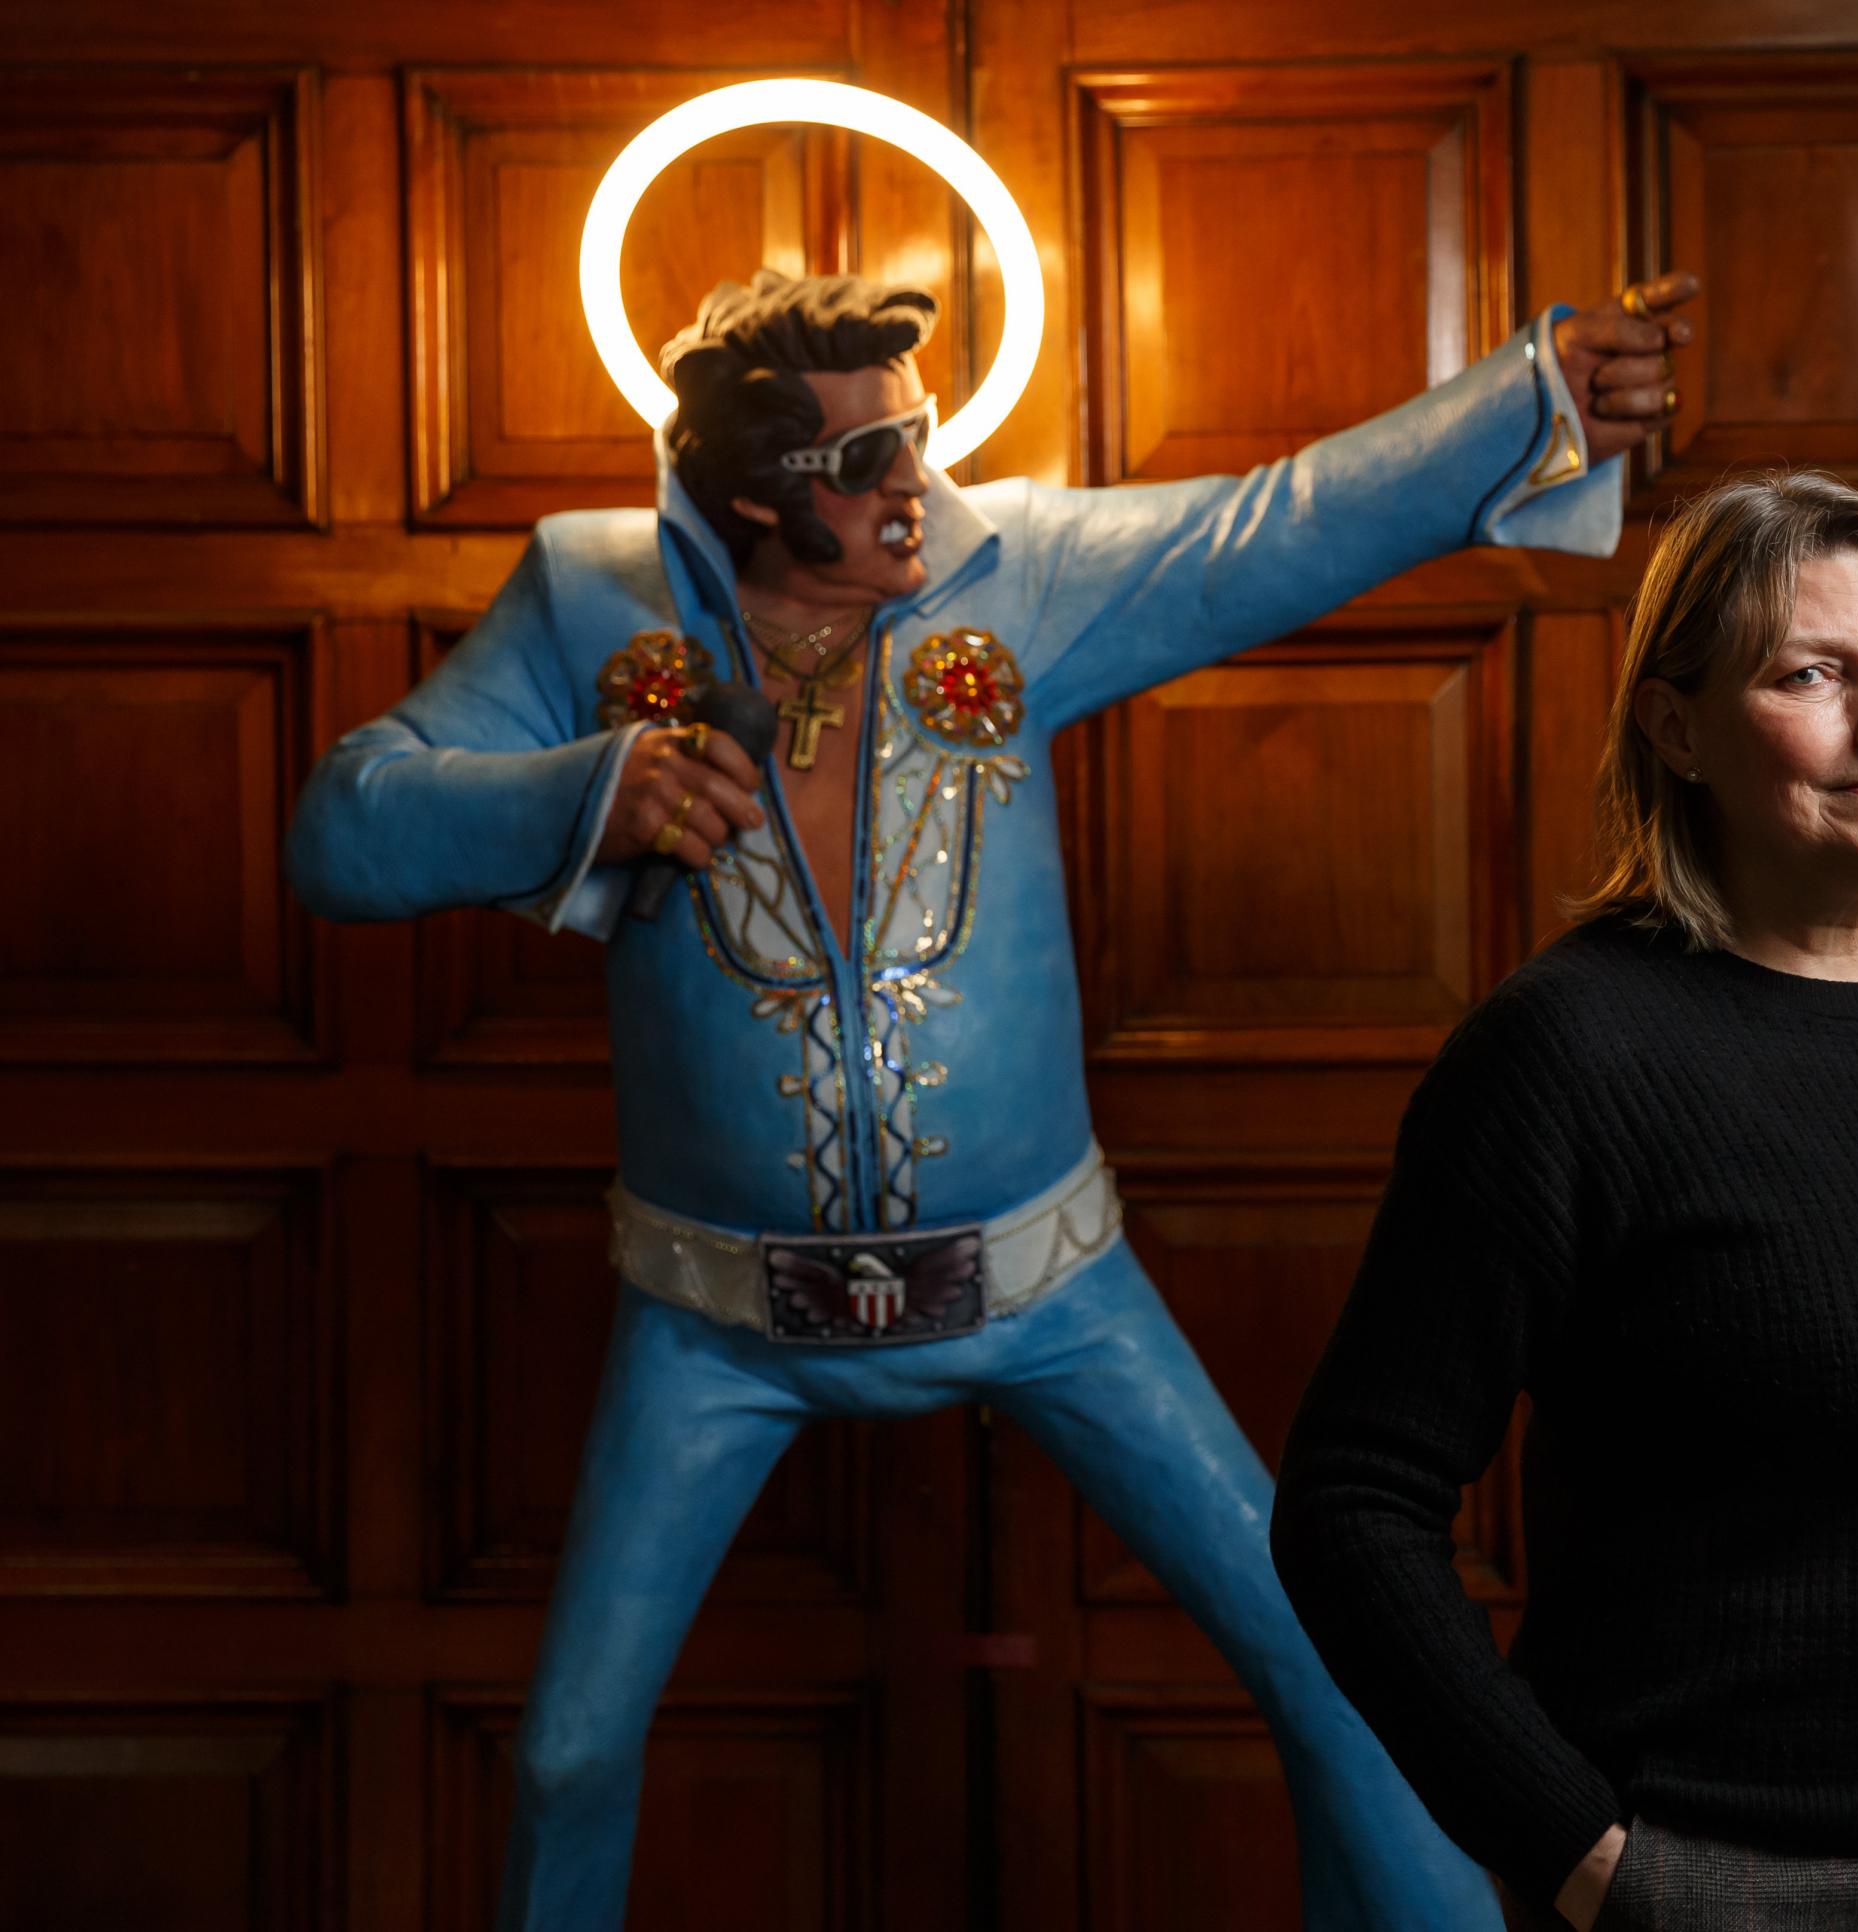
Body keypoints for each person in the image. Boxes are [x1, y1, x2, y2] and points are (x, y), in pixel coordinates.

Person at [283, 266, 1699, 1930]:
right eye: (869, 455)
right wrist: (583, 794)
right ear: (755, 493)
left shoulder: (1015, 577)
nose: (916, 484)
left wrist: (1534, 397)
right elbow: (341, 829)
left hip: (1052, 1288)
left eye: (921, 435)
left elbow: (1277, 523)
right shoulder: (587, 597)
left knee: (1343, 1673)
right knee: (572, 1757)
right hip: (712, 1319)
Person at [1269, 471, 1858, 1932]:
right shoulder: (1569, 1051)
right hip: (1748, 1883)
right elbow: (1350, 1506)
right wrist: (1582, 1857)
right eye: (1811, 674)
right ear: (1678, 727)